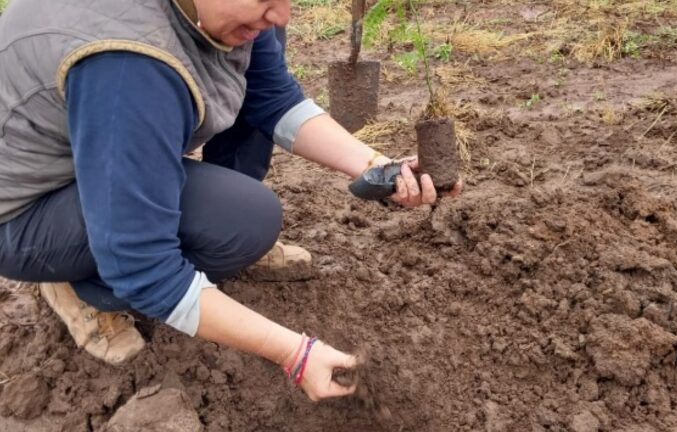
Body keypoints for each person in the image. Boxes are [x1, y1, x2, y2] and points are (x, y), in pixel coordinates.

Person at [0, 0, 460, 401]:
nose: (283, 13)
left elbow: (271, 97)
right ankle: (76, 282)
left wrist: (377, 165)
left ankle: (148, 228)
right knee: (222, 230)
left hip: (100, 147)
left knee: (244, 221)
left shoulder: (219, 13)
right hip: (24, 210)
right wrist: (295, 353)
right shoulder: (128, 65)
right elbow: (144, 267)